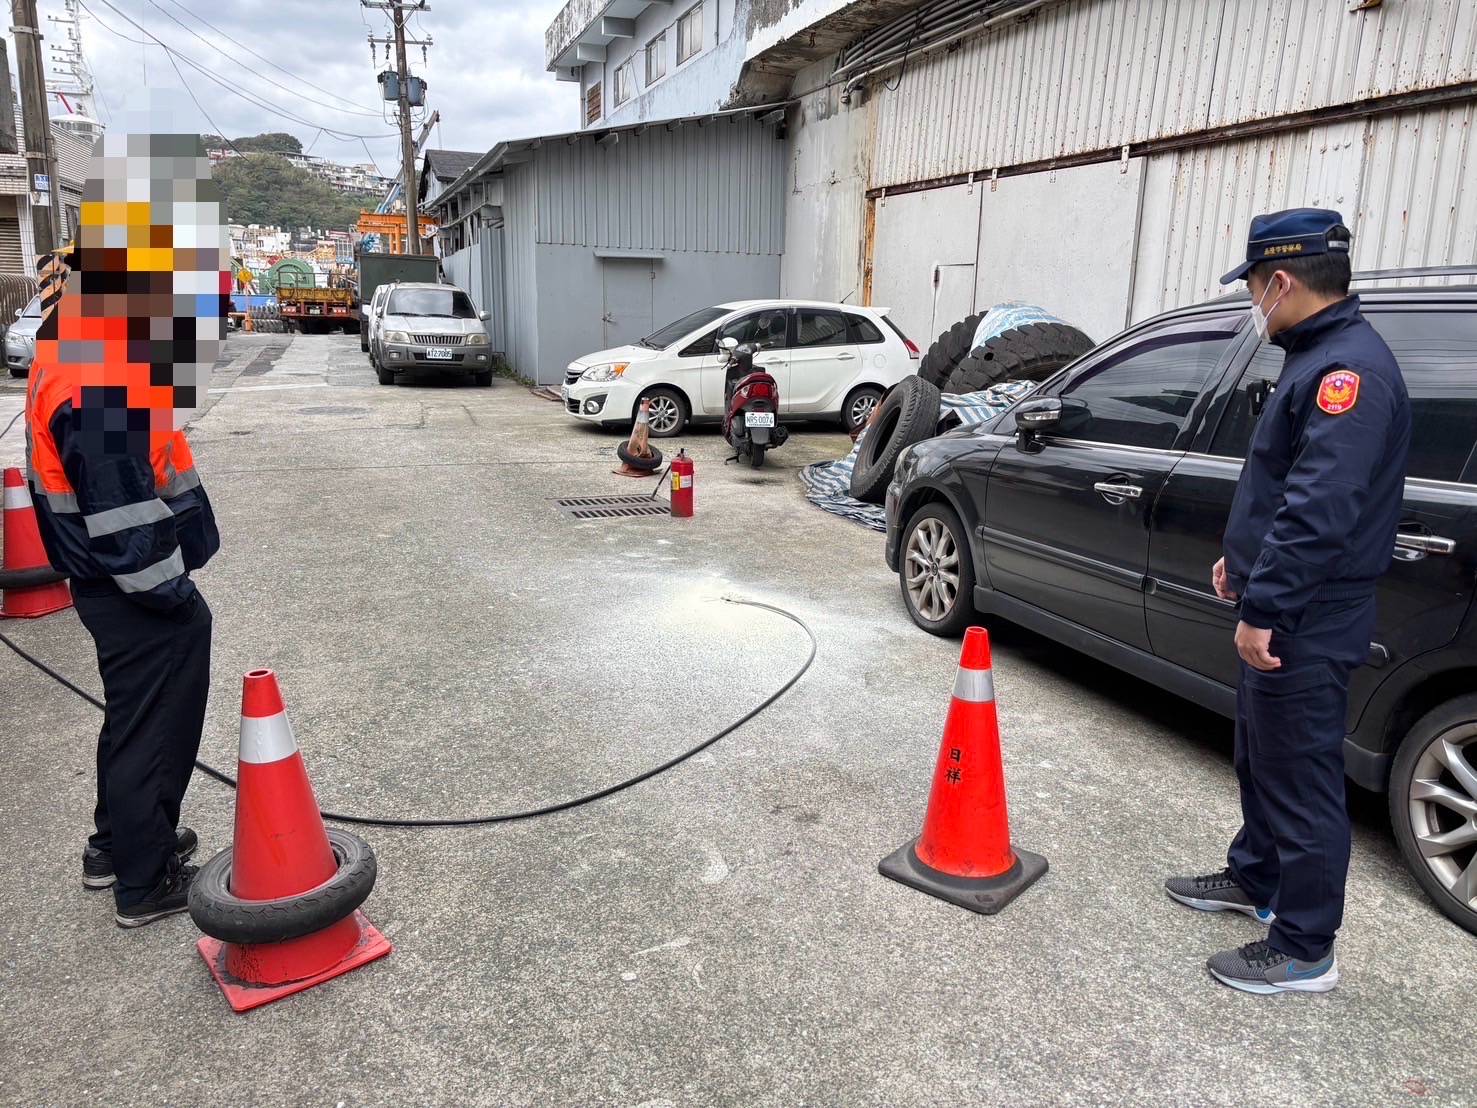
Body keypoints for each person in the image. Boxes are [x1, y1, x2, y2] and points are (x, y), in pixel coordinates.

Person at [1162, 209, 1411, 993]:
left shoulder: (1347, 373)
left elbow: (1319, 508)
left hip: (1308, 614)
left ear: (1279, 281)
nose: (1250, 304)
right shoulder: (1317, 356)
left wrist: (1266, 606)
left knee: (1298, 776)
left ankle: (1304, 947)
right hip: (1286, 596)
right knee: (1261, 756)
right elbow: (1287, 491)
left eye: (1250, 288)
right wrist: (1241, 565)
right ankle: (1255, 879)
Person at [25, 127, 228, 928]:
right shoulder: (98, 362)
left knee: (134, 712)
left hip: (106, 581)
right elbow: (118, 505)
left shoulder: (83, 335)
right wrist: (169, 591)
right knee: (156, 714)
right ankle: (145, 880)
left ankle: (119, 842)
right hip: (128, 584)